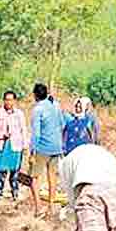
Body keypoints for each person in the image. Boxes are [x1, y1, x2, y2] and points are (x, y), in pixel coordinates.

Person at [28, 83, 66, 218]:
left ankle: (38, 208)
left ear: (35, 95)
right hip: (56, 147)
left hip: (42, 148)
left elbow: (36, 133)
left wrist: (32, 151)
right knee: (52, 177)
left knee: (34, 177)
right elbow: (63, 124)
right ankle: (51, 207)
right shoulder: (55, 105)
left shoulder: (37, 109)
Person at [0, 90, 27, 201]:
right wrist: (1, 134)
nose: (9, 102)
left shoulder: (19, 114)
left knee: (14, 172)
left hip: (15, 145)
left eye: (11, 100)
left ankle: (15, 192)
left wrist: (25, 145)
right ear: (4, 100)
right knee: (0, 170)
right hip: (1, 145)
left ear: (14, 101)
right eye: (7, 100)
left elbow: (23, 129)